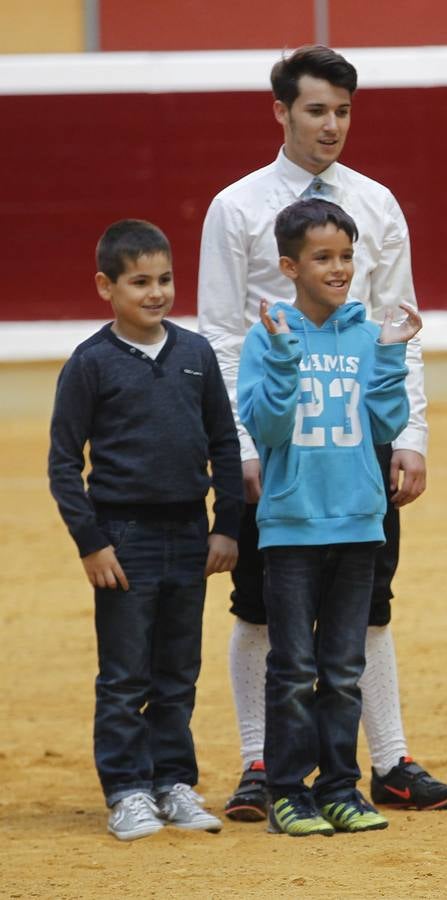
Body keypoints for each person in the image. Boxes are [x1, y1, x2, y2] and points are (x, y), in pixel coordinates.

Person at [198, 44, 447, 819]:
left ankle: (389, 761)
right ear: (280, 112)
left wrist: (409, 434)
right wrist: (239, 447)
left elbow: (398, 324)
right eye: (316, 109)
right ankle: (259, 762)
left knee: (367, 602)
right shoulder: (236, 206)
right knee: (258, 605)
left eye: (344, 110)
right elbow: (219, 334)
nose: (332, 125)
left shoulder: (377, 203)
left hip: (356, 431)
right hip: (273, 430)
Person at [48, 220, 242, 840]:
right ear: (106, 286)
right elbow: (62, 462)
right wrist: (92, 541)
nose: (156, 292)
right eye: (139, 282)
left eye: (164, 279)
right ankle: (127, 789)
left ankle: (173, 781)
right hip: (123, 539)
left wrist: (226, 526)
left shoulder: (195, 354)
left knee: (178, 670)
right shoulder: (91, 364)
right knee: (126, 672)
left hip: (190, 533)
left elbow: (223, 442)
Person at [238, 199, 423, 836]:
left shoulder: (368, 334)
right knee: (293, 668)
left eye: (346, 256)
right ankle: (288, 790)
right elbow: (263, 426)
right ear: (290, 266)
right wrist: (287, 355)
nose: (340, 268)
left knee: (343, 670)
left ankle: (340, 788)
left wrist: (394, 354)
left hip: (359, 524)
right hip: (291, 526)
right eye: (323, 258)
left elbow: (383, 424)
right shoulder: (267, 337)